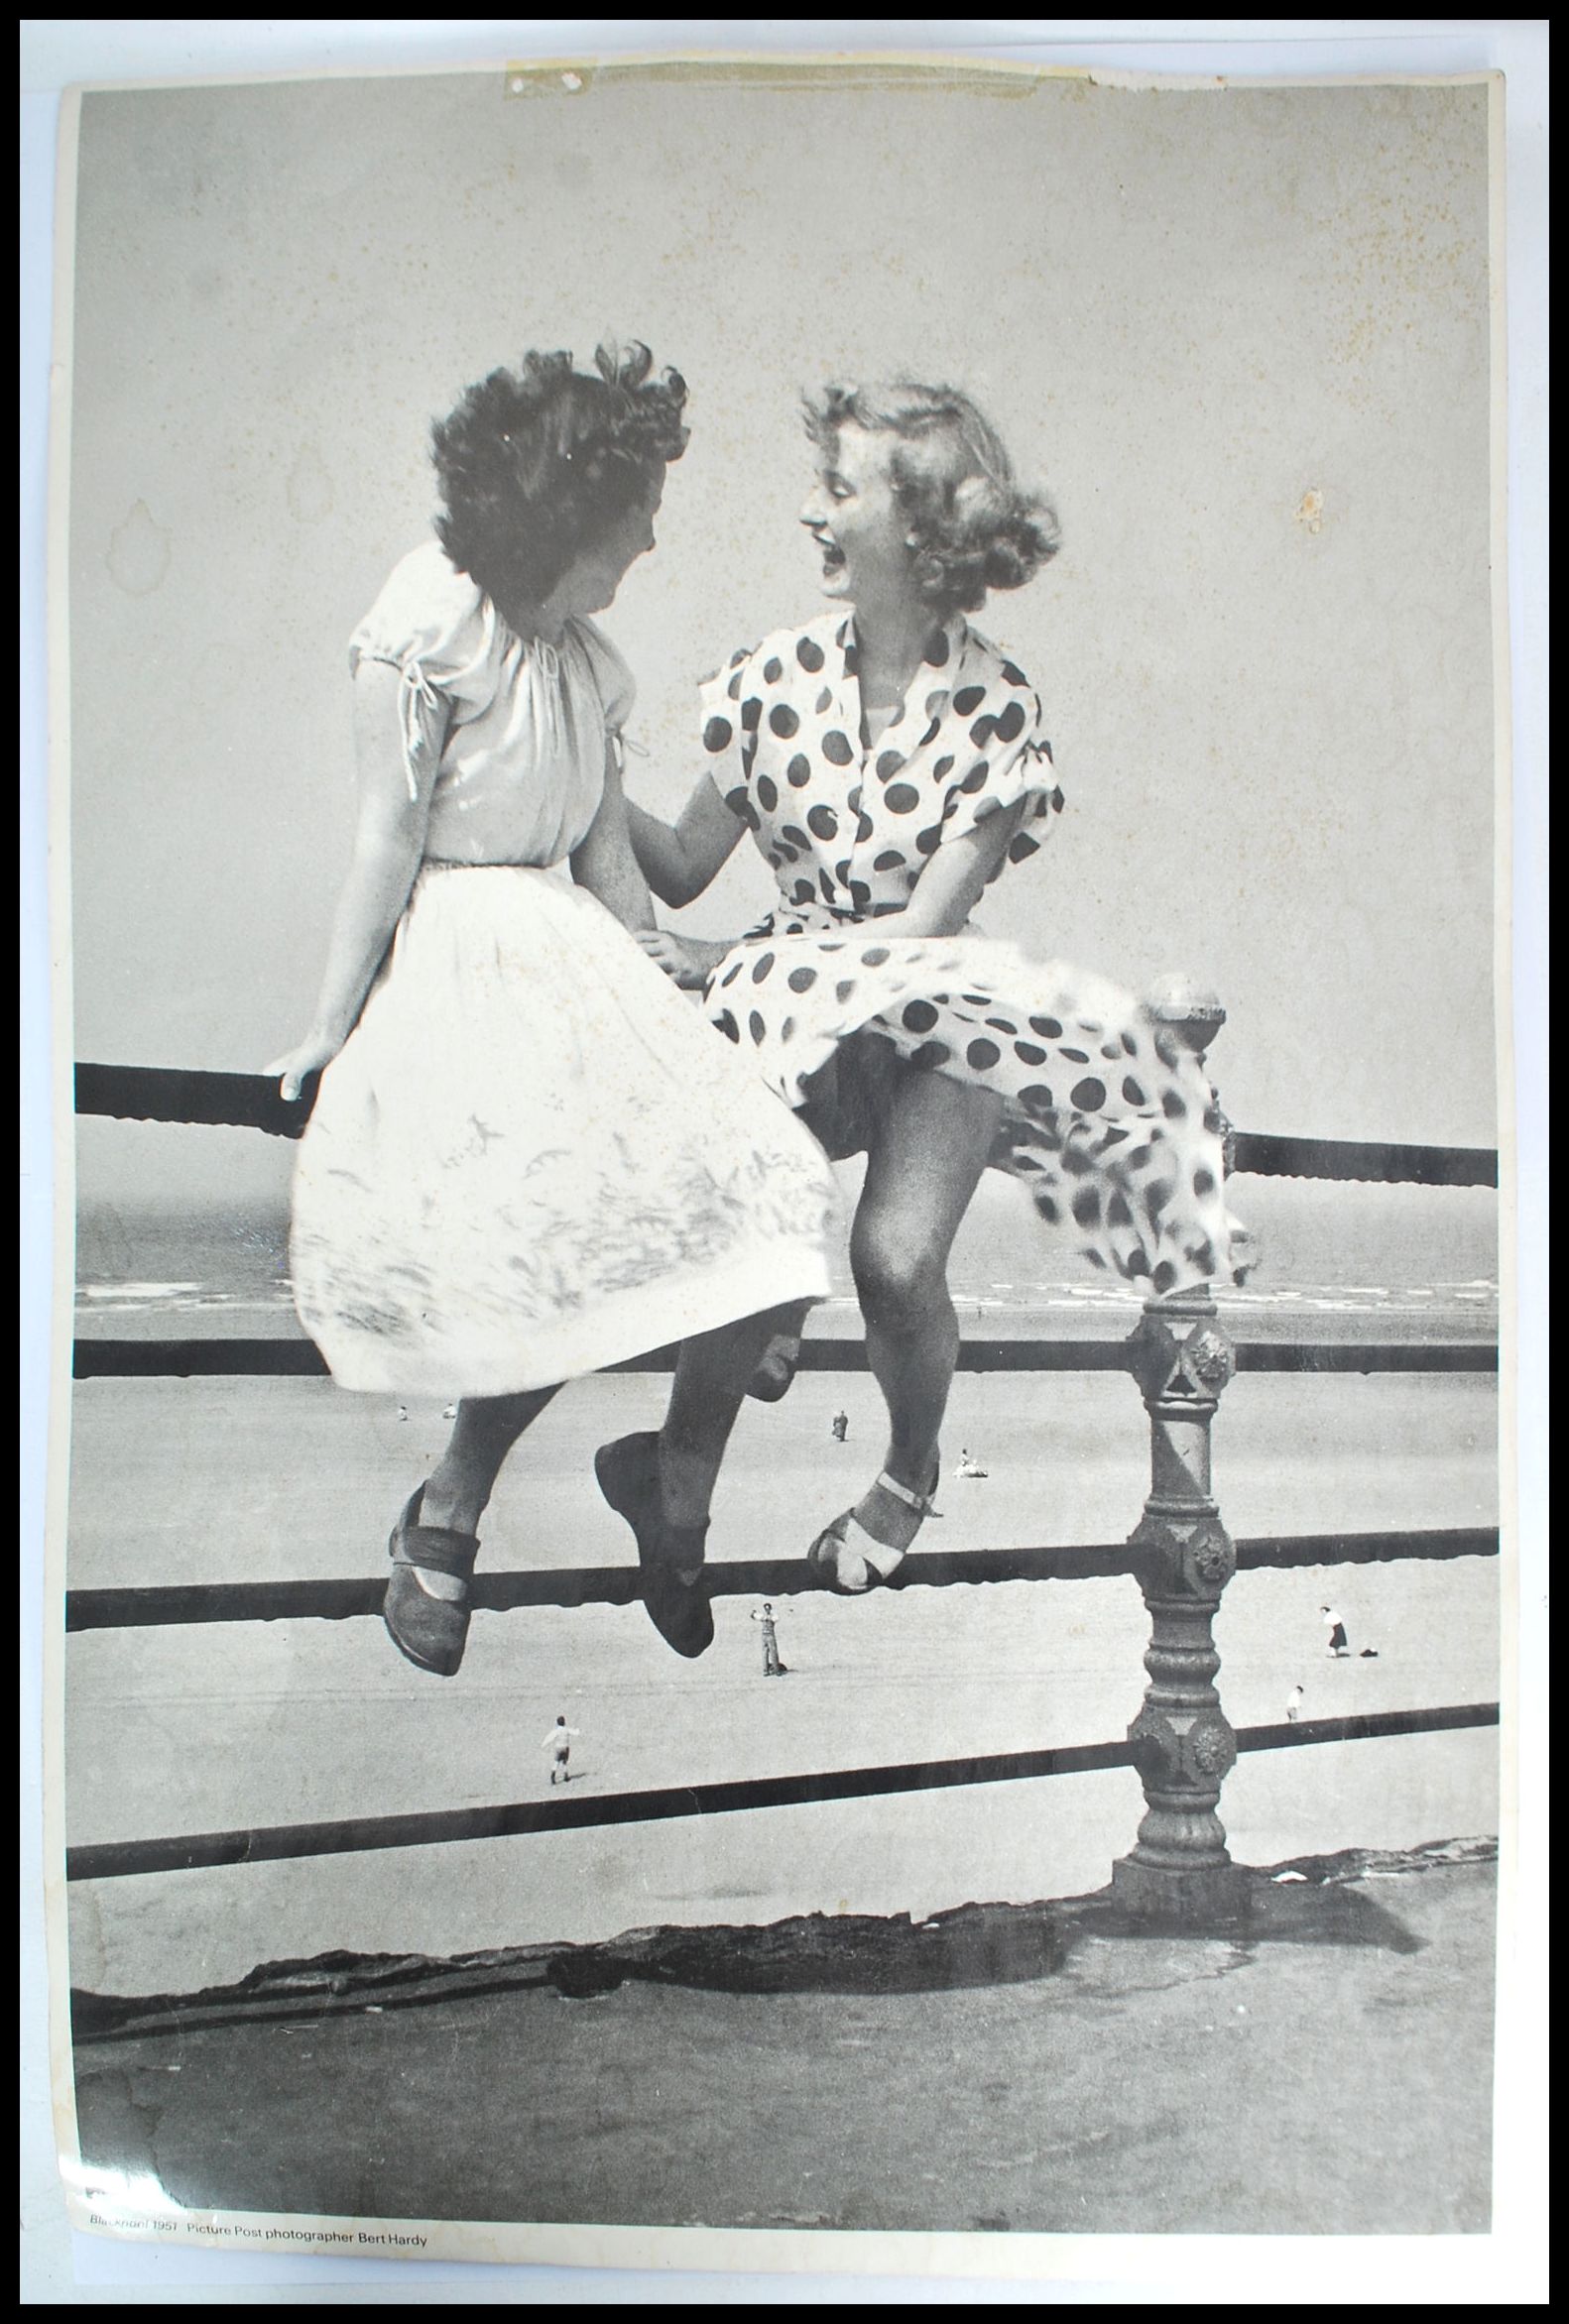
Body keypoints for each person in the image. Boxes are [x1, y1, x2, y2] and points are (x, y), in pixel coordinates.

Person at [621, 378, 1252, 1603]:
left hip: (934, 1017)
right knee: (750, 1249)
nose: (809, 510)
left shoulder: (998, 711)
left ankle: (905, 1474)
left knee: (898, 1263)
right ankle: (677, 1482)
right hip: (785, 1011)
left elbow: (919, 934)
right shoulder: (765, 679)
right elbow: (688, 865)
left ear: (916, 528)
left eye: (837, 488)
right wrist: (584, 767)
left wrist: (729, 965)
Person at [269, 342, 837, 1680]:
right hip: (464, 963)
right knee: (561, 1213)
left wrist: (702, 986)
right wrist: (325, 1024)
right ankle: (451, 1506)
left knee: (766, 1162)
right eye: (632, 511)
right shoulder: (425, 630)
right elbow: (383, 842)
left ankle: (671, 1464)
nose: (649, 535)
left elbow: (610, 878)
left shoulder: (588, 670)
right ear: (559, 517)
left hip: (578, 960)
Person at [751, 1601, 788, 1677]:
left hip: (765, 1635)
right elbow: (776, 1619)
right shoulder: (770, 1616)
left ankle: (767, 1670)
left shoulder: (763, 1616)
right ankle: (774, 1670)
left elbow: (754, 1616)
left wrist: (754, 1613)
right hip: (769, 1635)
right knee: (771, 1653)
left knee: (767, 1653)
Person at [543, 1714, 581, 1785]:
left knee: (556, 1762)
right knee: (564, 1762)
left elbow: (550, 1737)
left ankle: (553, 1775)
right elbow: (576, 1733)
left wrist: (543, 1744)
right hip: (565, 1747)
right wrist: (577, 1729)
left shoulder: (556, 1731)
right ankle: (566, 1776)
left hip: (558, 1748)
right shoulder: (567, 1729)